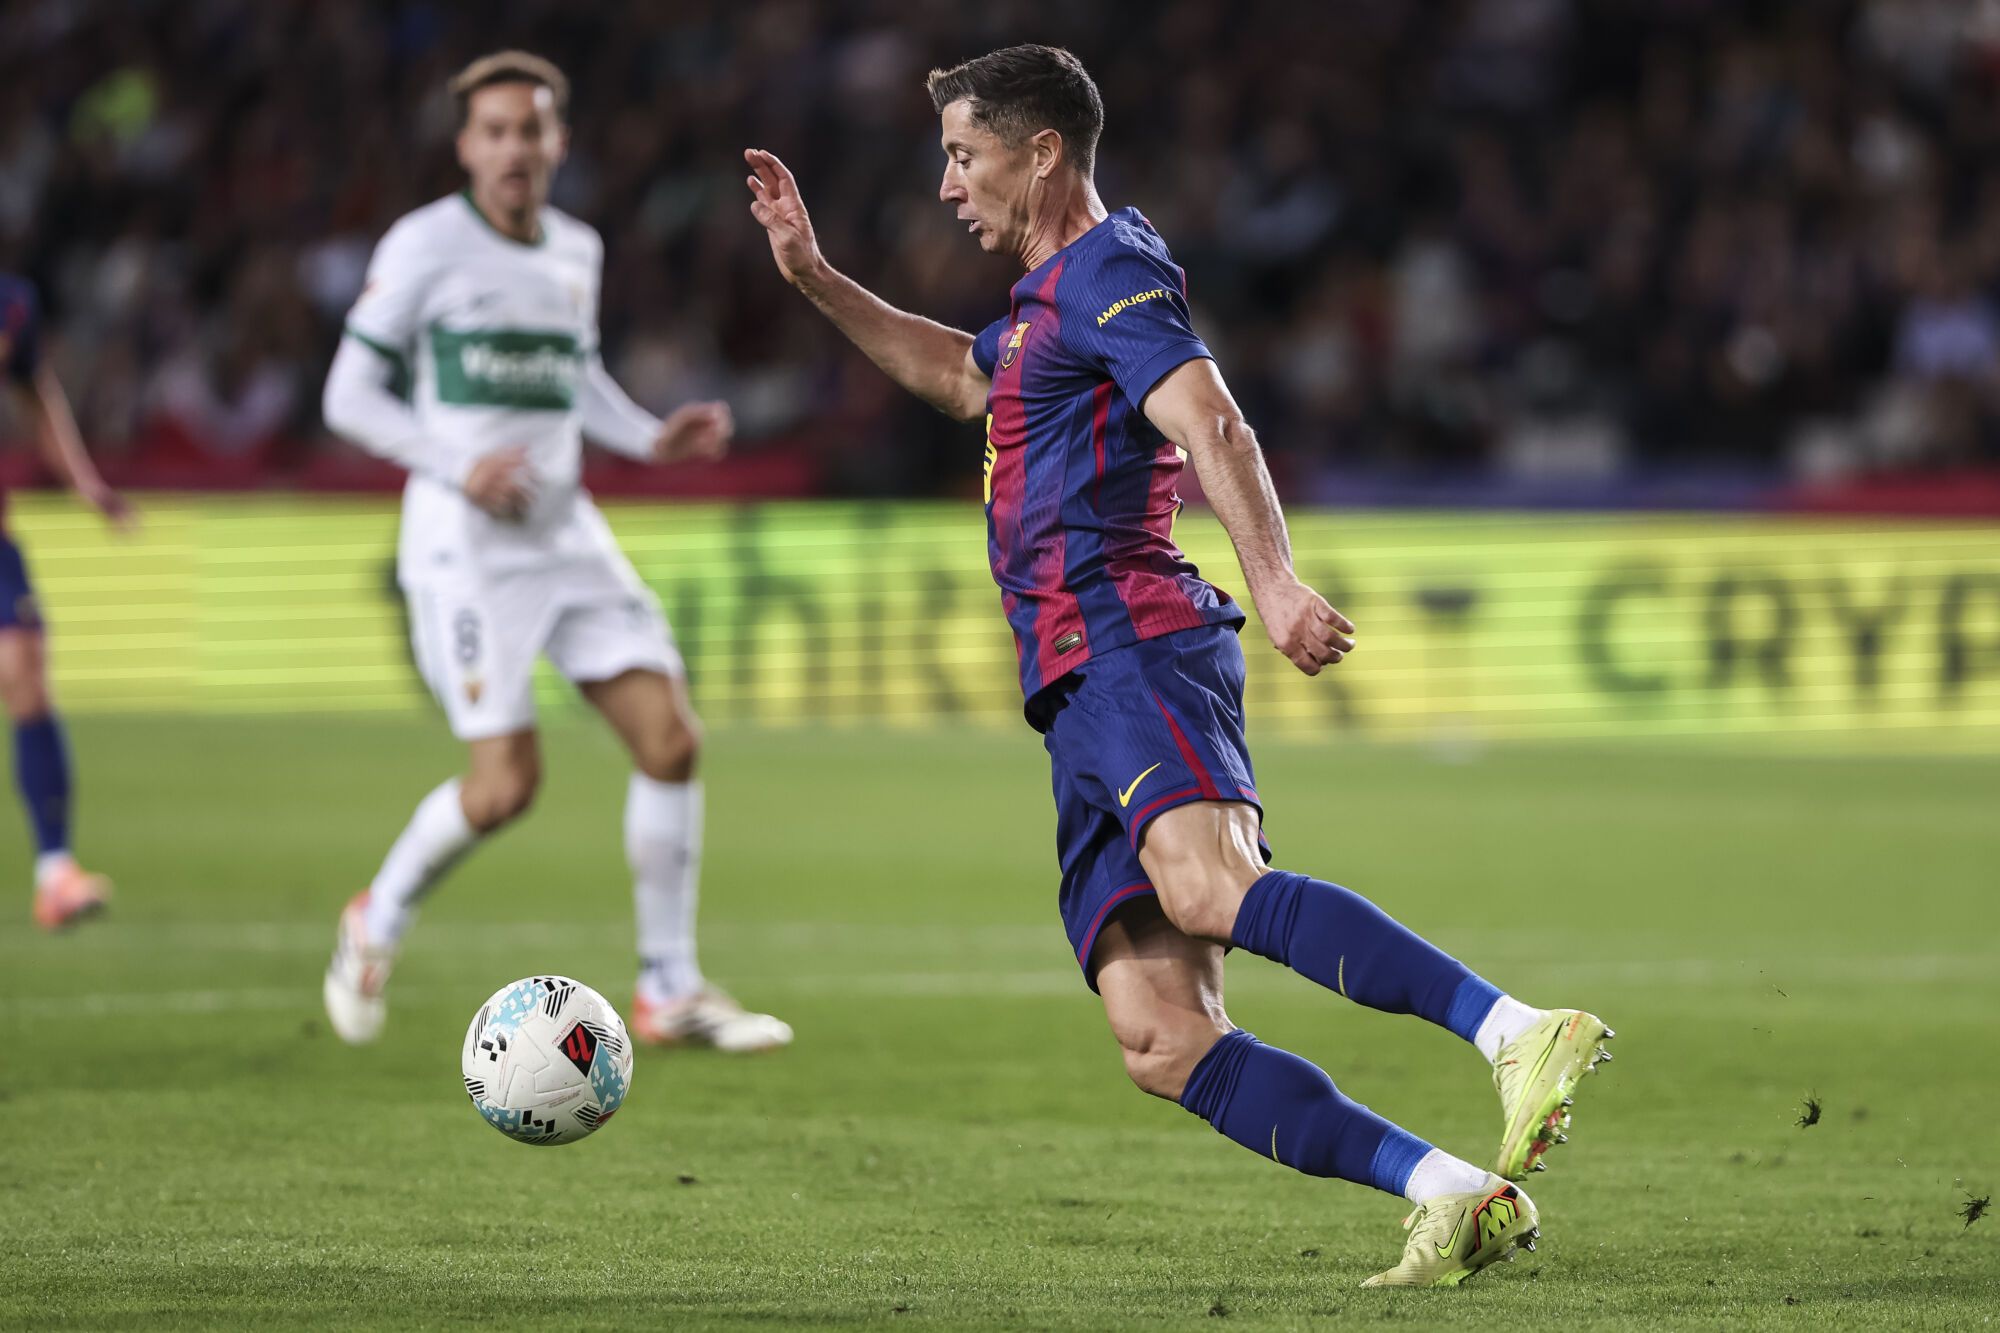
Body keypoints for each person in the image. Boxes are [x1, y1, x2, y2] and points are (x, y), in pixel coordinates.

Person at [745, 44, 1612, 1286]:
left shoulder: (1108, 271)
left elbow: (1210, 419)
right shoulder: (1045, 305)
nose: (946, 185)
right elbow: (955, 374)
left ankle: (1518, 1031)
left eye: (961, 154)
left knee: (1209, 884)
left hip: (1127, 634)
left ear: (1040, 152)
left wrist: (1272, 582)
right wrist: (816, 277)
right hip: (1071, 685)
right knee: (1159, 1034)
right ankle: (1454, 1192)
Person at [320, 51, 789, 1054]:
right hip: (467, 547)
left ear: (557, 142)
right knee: (505, 786)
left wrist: (647, 436)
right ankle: (377, 918)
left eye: (530, 130)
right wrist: (456, 463)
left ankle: (667, 988)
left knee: (671, 739)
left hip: (565, 530)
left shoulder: (574, 247)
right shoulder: (425, 244)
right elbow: (346, 396)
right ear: (465, 147)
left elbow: (572, 381)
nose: (513, 149)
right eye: (493, 131)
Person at [0, 271, 129, 930]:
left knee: (26, 674)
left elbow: (35, 391)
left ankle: (56, 872)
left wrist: (84, 482)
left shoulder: (13, 303)